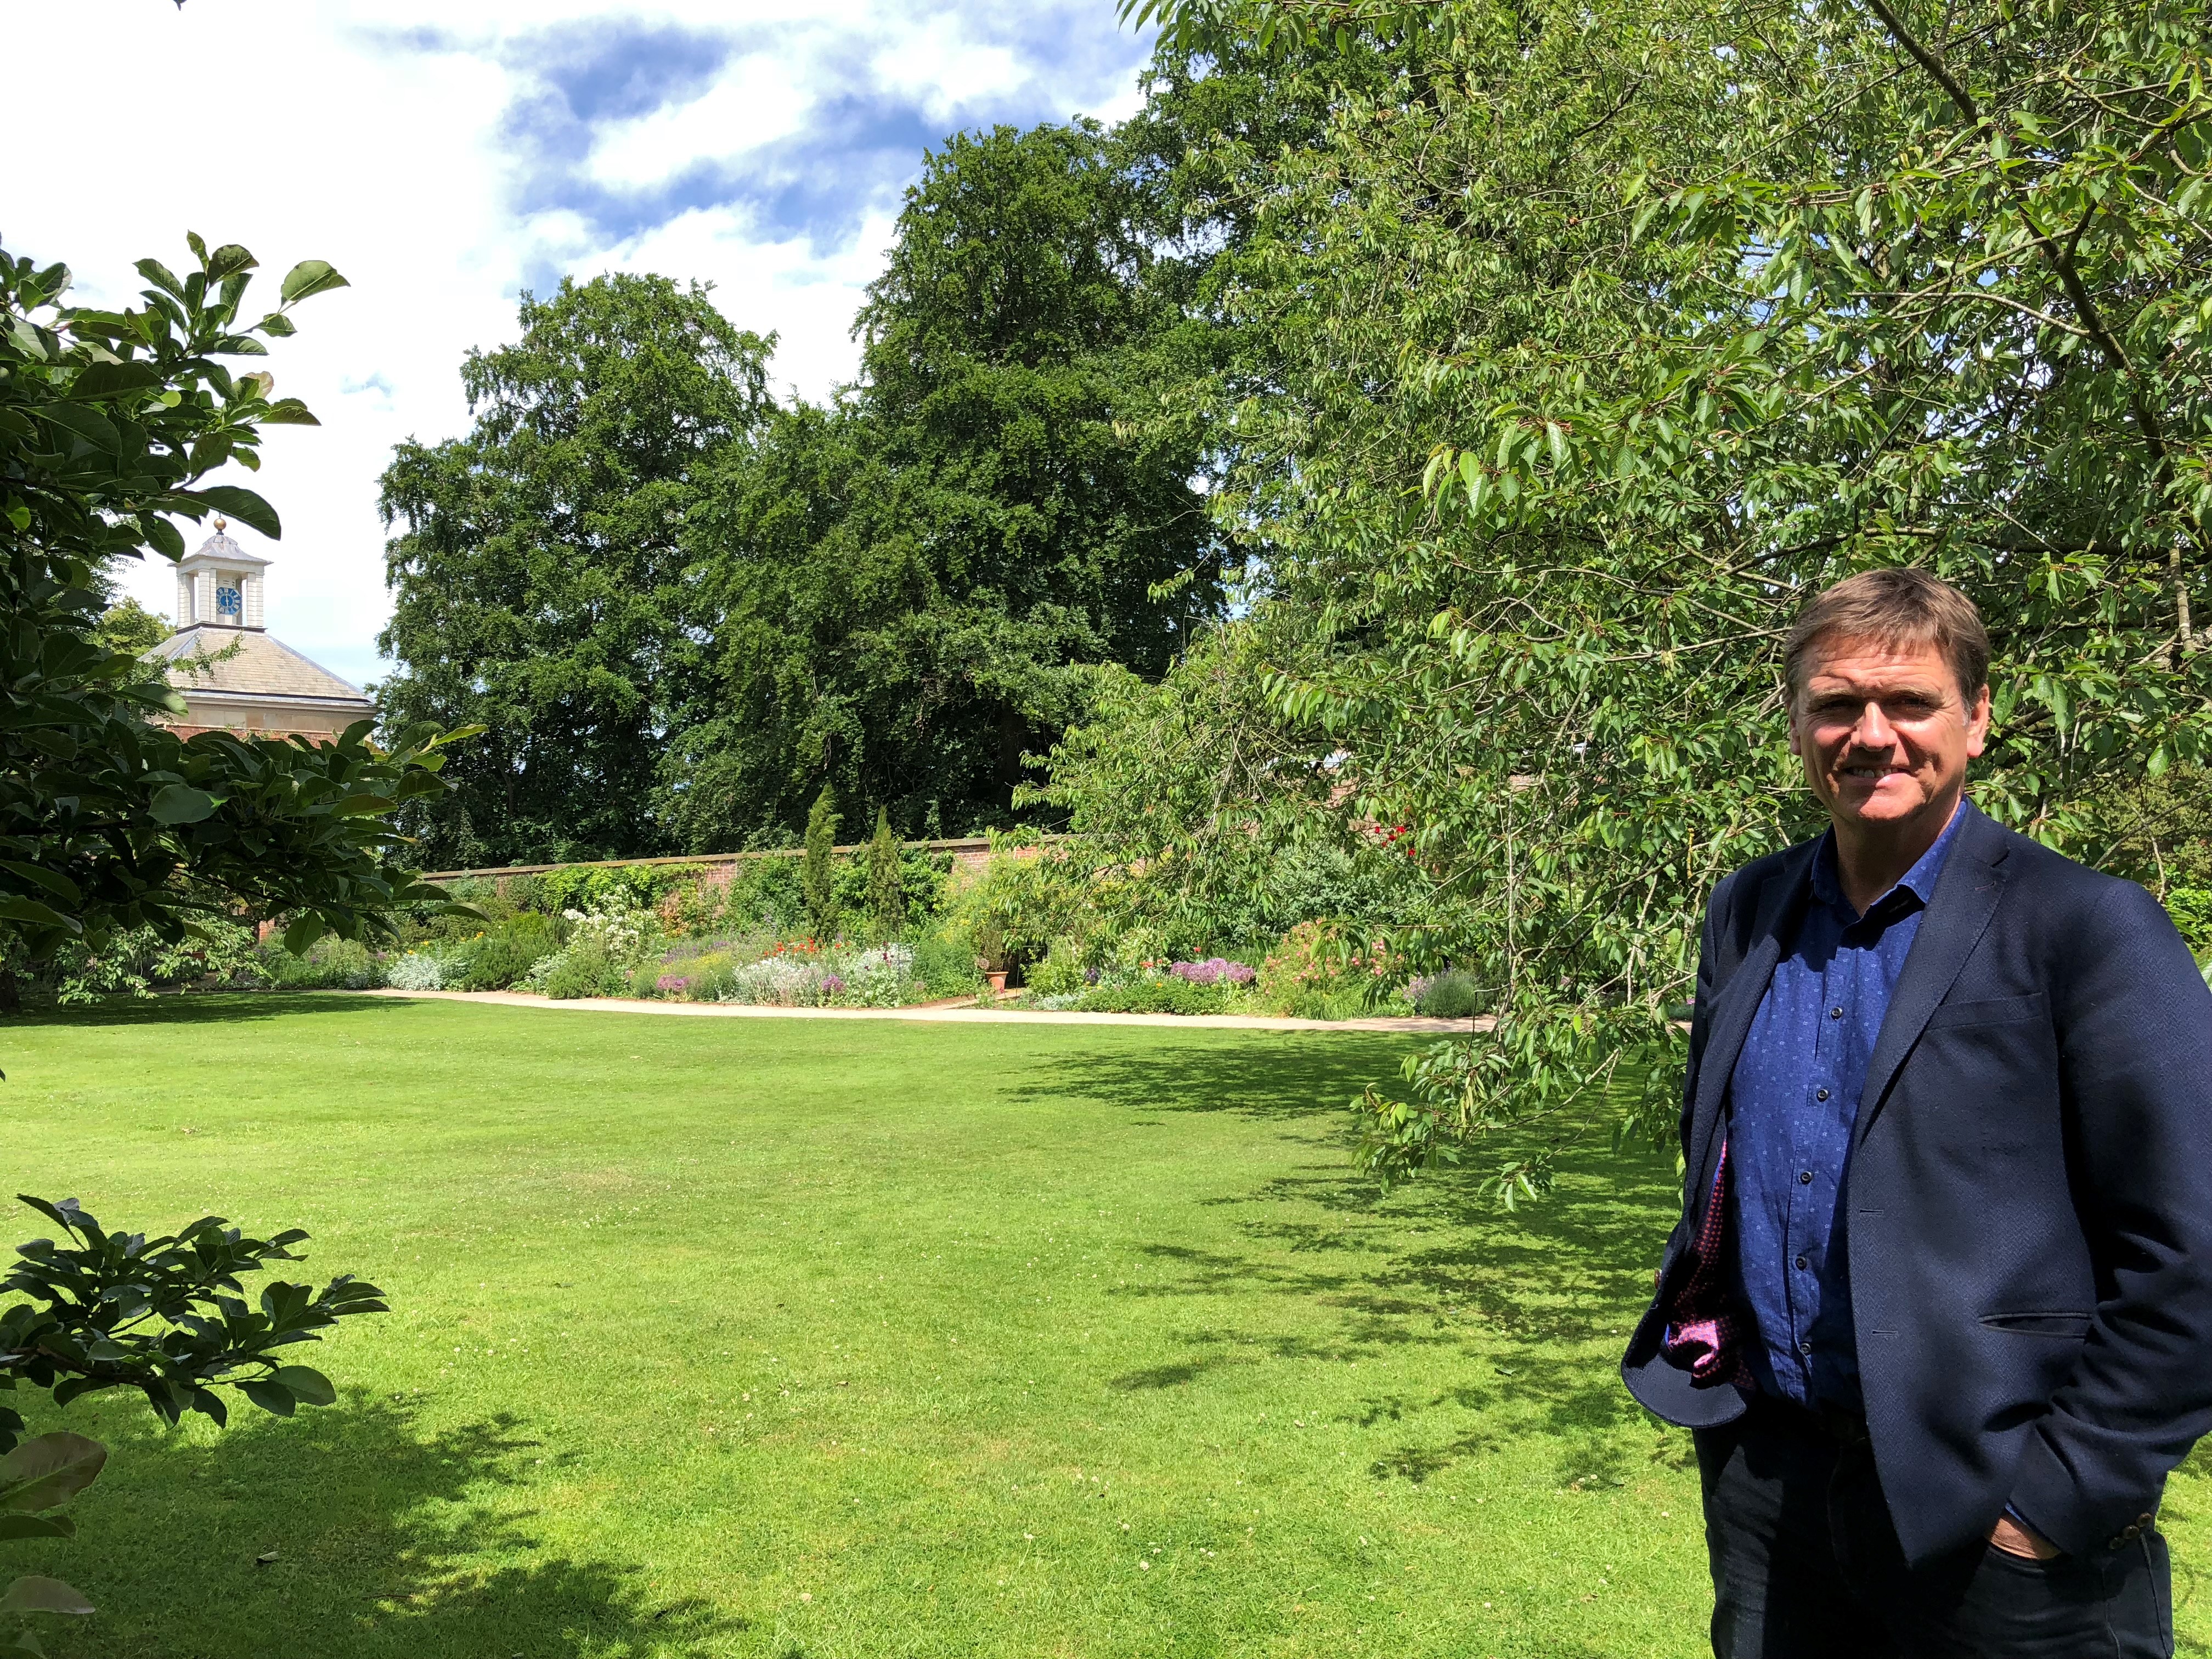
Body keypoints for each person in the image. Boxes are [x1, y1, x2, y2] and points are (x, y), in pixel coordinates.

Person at [1620, 568, 2212, 1656]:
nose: (1872, 734)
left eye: (1912, 703)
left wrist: (2052, 1502)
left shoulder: (2087, 928)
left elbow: (2194, 1249)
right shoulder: (1747, 910)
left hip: (1993, 1511)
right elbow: (1724, 1156)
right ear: (1796, 722)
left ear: (1978, 719)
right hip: (1775, 1486)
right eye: (1838, 704)